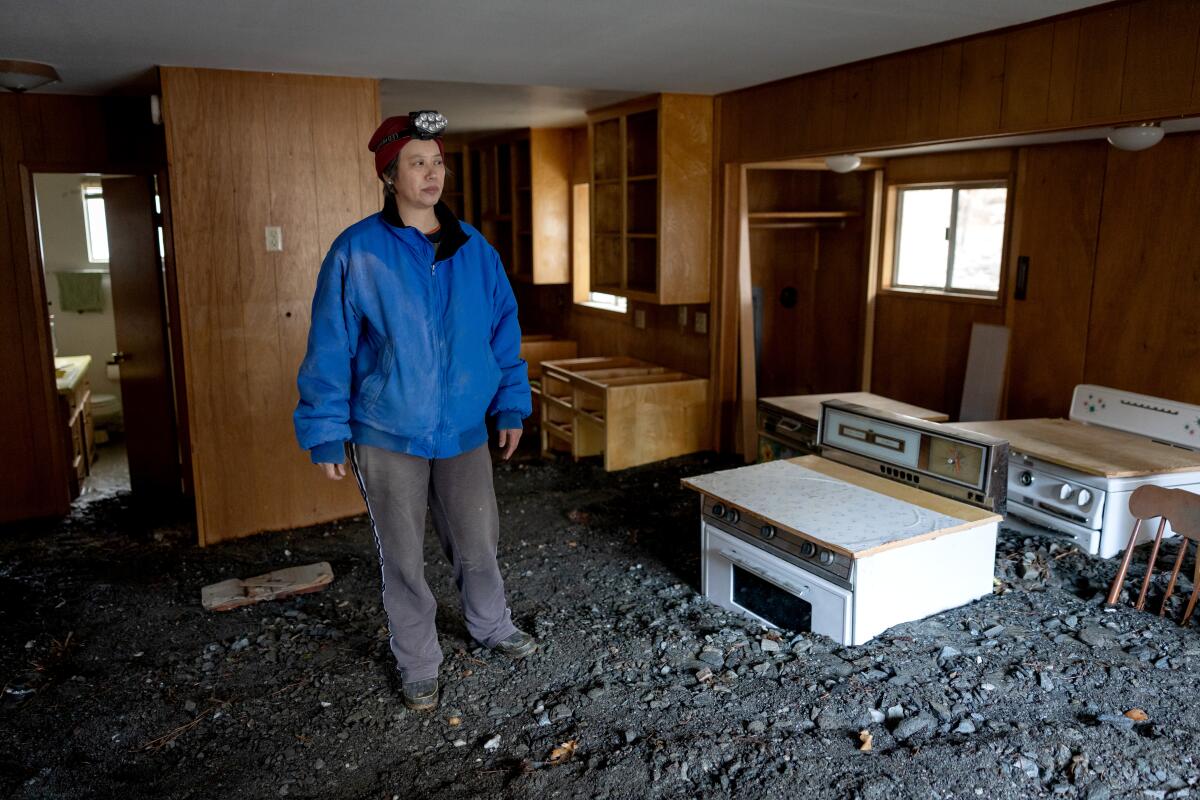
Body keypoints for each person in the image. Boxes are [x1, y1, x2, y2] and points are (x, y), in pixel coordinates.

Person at [293, 110, 536, 712]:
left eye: (438, 162)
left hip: (462, 432)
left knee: (479, 542)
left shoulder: (474, 250)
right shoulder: (357, 251)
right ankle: (419, 662)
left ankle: (492, 626)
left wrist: (510, 404)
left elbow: (503, 332)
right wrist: (326, 431)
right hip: (386, 433)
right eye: (417, 163)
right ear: (389, 176)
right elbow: (330, 343)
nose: (432, 174)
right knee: (402, 557)